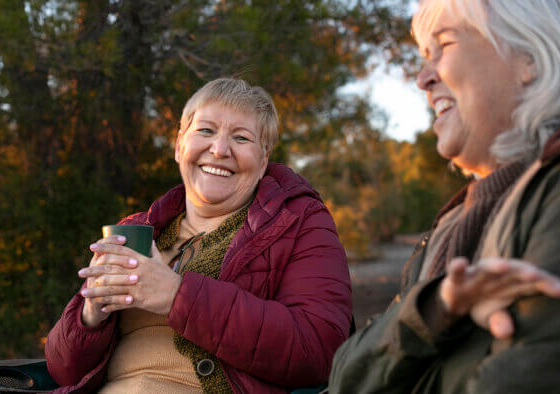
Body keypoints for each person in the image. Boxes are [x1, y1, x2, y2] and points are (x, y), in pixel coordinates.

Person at [329, 0, 560, 393]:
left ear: (530, 56)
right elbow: (344, 374)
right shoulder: (450, 224)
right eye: (423, 56)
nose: (422, 78)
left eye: (444, 46)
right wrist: (435, 310)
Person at [45, 78, 353, 393]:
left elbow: (319, 349)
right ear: (179, 146)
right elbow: (63, 370)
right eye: (205, 131)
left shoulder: (299, 221)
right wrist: (90, 315)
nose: (219, 149)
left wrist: (179, 296)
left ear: (263, 161)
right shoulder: (139, 228)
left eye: (241, 138)